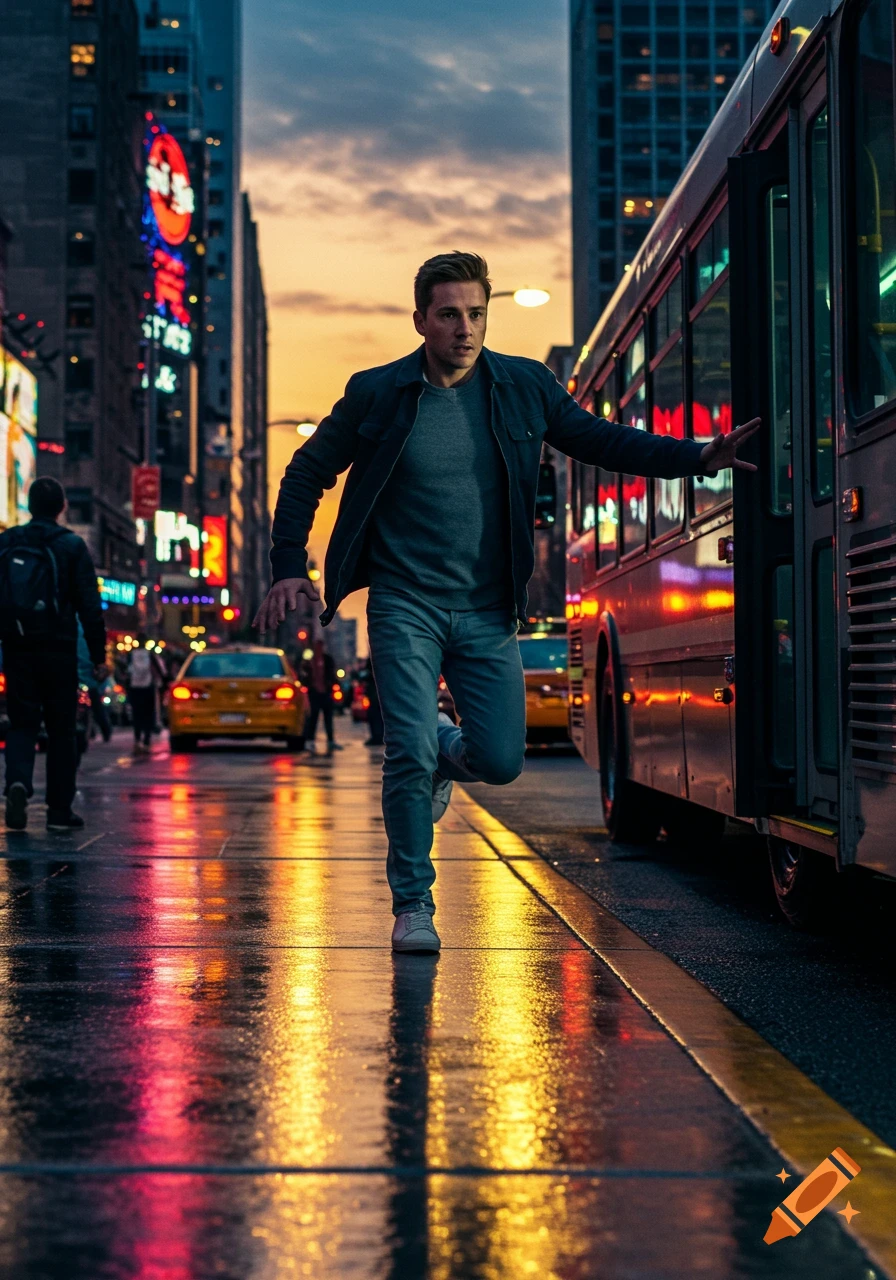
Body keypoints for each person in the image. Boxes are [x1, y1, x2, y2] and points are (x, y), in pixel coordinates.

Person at [254, 251, 761, 954]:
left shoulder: (525, 386)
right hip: (405, 602)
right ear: (422, 321)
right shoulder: (377, 393)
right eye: (450, 315)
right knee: (403, 749)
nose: (465, 329)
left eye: (476, 314)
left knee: (498, 759)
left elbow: (602, 441)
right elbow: (308, 470)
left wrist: (701, 456)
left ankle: (440, 749)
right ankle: (412, 904)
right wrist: (287, 566)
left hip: (489, 605)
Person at [0, 476, 106, 830]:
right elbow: (90, 607)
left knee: (21, 725)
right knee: (62, 730)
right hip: (59, 650)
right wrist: (98, 657)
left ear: (29, 506)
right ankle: (59, 811)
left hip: (17, 647)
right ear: (62, 507)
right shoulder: (72, 546)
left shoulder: (8, 541)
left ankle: (17, 783)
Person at [300, 638, 340, 755]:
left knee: (328, 718)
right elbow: (304, 675)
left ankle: (330, 740)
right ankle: (310, 740)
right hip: (314, 693)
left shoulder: (327, 660)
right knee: (313, 717)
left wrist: (332, 685)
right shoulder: (310, 661)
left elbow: (332, 674)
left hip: (325, 692)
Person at [126, 635, 167, 751]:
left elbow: (127, 671)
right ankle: (146, 740)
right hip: (148, 687)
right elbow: (161, 671)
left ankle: (137, 740)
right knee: (148, 714)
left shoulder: (131, 655)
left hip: (134, 688)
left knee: (137, 714)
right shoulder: (150, 655)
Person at [78, 621, 112, 743]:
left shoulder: (70, 623)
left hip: (78, 677)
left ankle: (97, 731)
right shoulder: (89, 626)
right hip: (89, 679)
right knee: (97, 708)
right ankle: (105, 731)